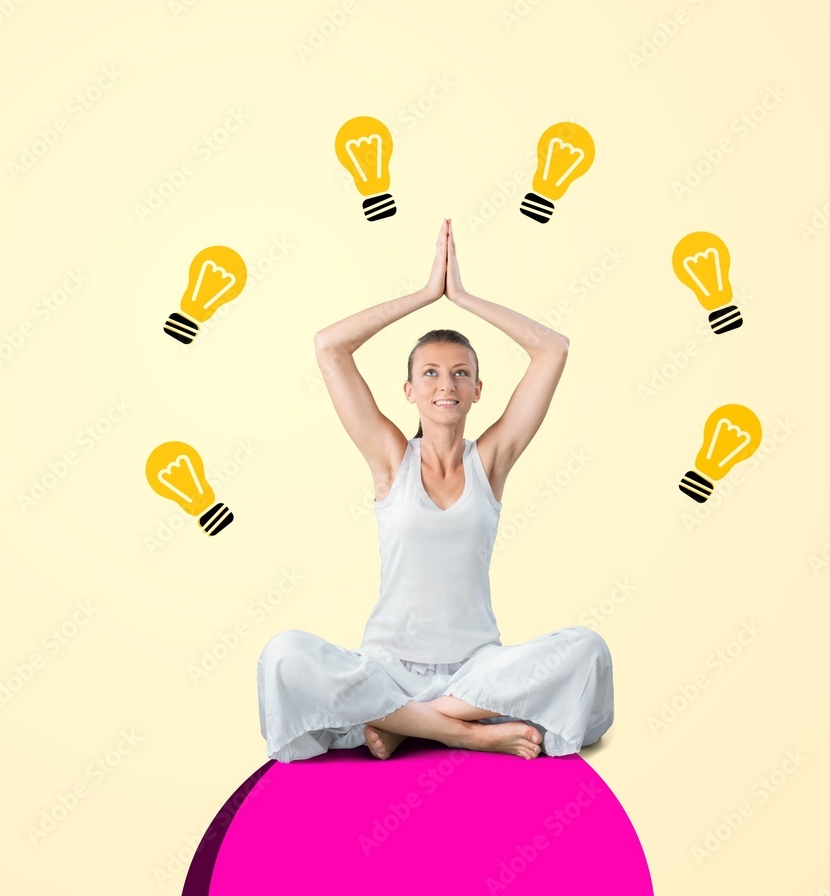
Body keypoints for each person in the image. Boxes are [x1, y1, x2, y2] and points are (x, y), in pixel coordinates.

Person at [257, 219, 614, 762]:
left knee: (587, 650)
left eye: (459, 373)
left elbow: (553, 350)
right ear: (408, 390)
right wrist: (426, 296)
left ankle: (406, 722)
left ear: (476, 389)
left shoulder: (491, 461)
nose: (444, 384)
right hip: (385, 668)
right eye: (429, 373)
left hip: (476, 671)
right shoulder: (390, 460)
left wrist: (463, 298)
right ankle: (461, 731)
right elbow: (329, 347)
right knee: (283, 655)